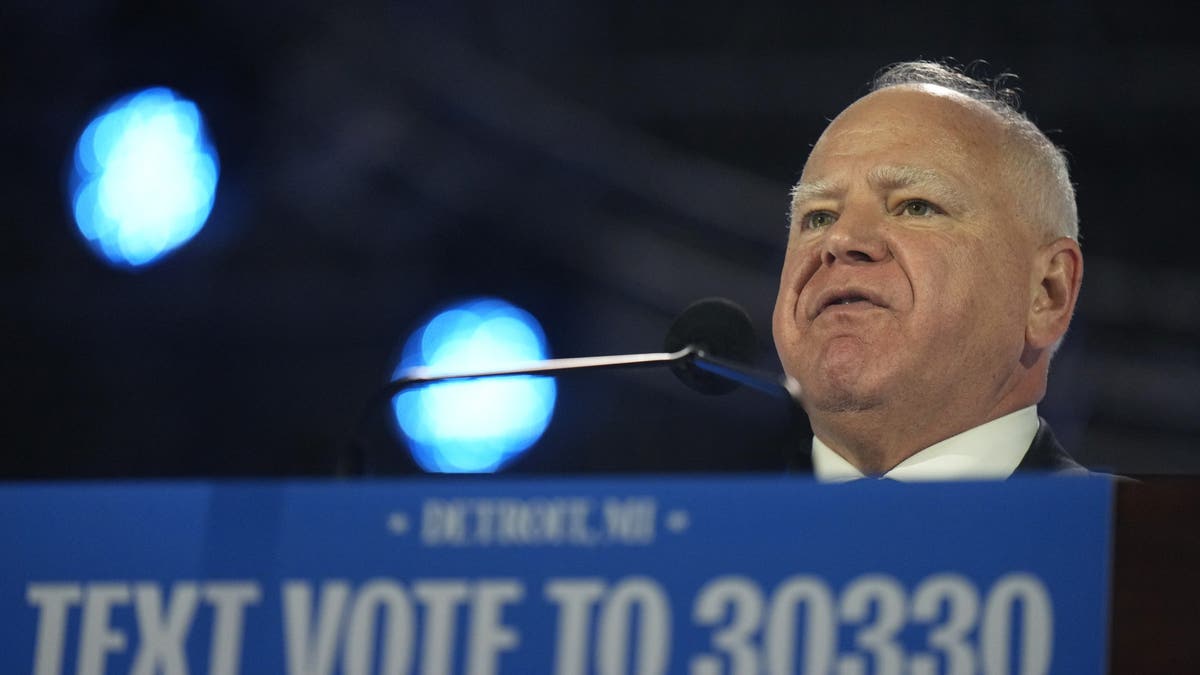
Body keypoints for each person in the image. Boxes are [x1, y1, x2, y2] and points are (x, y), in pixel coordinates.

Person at [772, 61, 1087, 481]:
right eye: (819, 217)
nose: (840, 240)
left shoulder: (1153, 541)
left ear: (1047, 294)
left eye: (914, 206)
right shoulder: (689, 537)